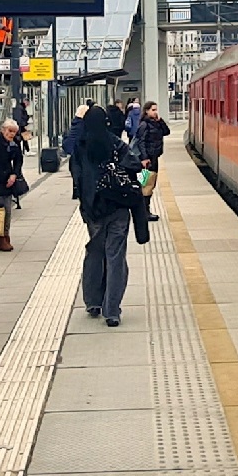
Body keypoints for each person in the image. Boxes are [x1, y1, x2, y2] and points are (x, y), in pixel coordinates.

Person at [80, 115, 141, 325]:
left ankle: (92, 302)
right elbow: (135, 165)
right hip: (118, 206)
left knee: (95, 253)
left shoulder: (81, 145)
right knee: (115, 257)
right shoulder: (116, 143)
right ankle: (112, 311)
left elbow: (76, 176)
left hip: (93, 210)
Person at [0, 118, 27, 252]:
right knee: (1, 210)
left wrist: (14, 174)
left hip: (7, 180)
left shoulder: (14, 143)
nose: (11, 134)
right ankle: (2, 238)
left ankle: (5, 237)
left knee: (7, 210)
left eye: (14, 132)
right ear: (3, 130)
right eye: (9, 131)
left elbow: (19, 160)